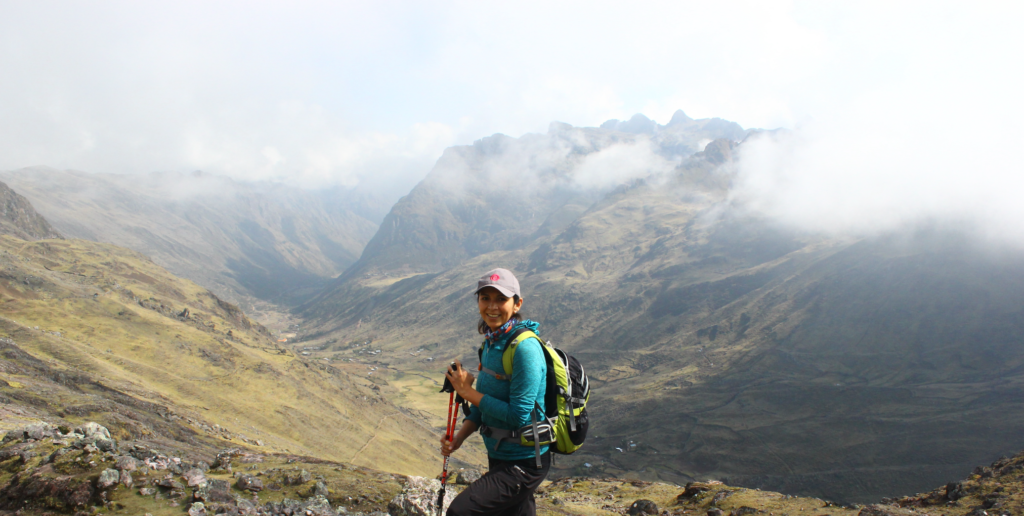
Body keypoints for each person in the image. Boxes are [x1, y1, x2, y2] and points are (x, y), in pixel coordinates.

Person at [441, 267, 550, 516]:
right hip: (501, 454)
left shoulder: (525, 349)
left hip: (524, 461)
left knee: (460, 512)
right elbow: (484, 405)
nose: (492, 306)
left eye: (501, 299)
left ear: (517, 303)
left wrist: (466, 392)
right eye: (485, 298)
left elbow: (517, 416)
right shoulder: (491, 343)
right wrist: (459, 438)